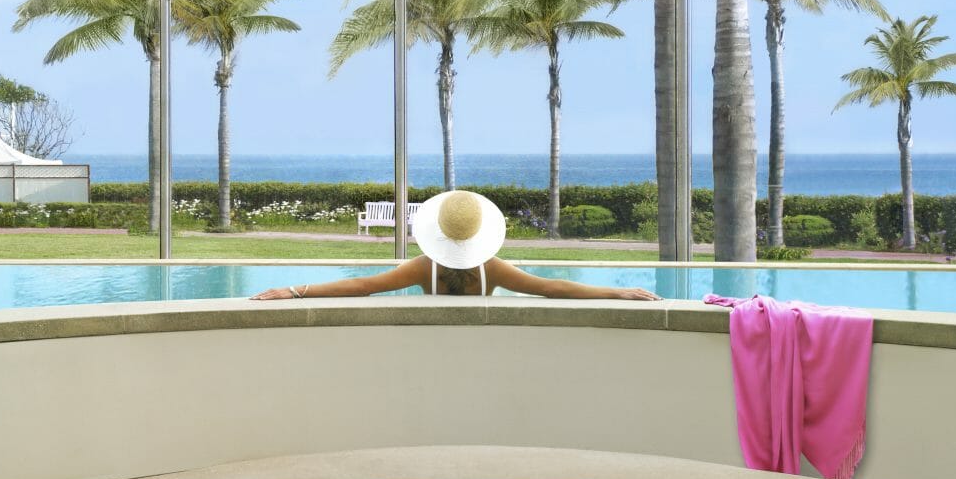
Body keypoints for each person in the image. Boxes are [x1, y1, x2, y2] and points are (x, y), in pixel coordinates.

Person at [251, 190, 661, 301]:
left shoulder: (423, 267)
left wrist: (296, 290)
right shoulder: (493, 269)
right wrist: (616, 290)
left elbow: (363, 286)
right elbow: (551, 287)